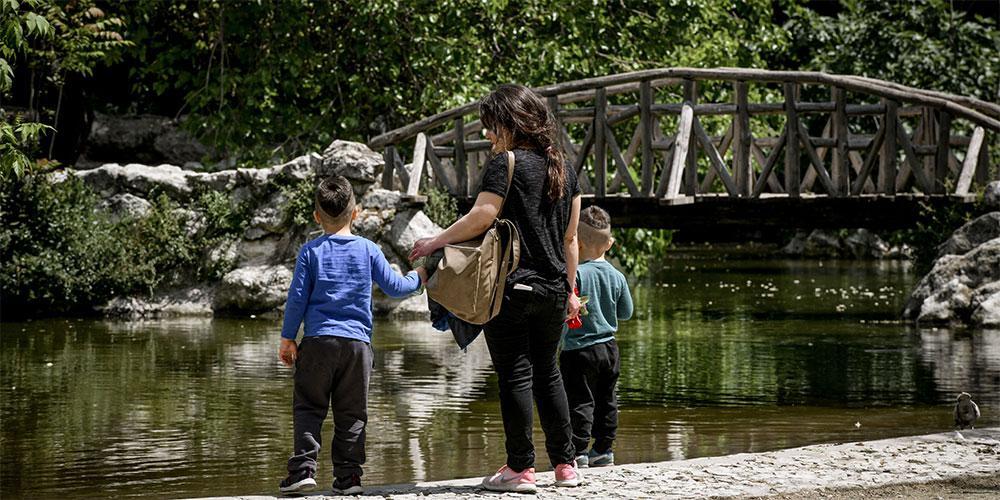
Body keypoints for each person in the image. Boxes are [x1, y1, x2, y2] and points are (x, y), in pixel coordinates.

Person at [410, 84, 583, 493]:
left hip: (511, 288)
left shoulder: (505, 163)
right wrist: (571, 289)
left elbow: (482, 216)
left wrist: (435, 241)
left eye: (491, 126)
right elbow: (571, 239)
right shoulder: (565, 168)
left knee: (515, 377)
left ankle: (520, 469)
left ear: (512, 122)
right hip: (554, 290)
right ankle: (566, 464)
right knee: (549, 373)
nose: (488, 135)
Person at [277, 175, 426, 495]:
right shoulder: (369, 250)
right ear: (355, 213)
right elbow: (396, 287)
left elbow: (297, 298)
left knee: (308, 407)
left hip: (317, 344)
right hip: (357, 347)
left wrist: (288, 338)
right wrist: (420, 276)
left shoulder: (310, 251)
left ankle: (303, 470)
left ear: (317, 217)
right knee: (352, 413)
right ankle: (349, 478)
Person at [560, 205, 633, 469]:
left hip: (578, 350)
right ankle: (603, 449)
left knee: (579, 401)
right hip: (609, 348)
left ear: (576, 241)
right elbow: (626, 313)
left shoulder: (576, 274)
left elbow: (564, 312)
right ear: (610, 243)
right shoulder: (617, 276)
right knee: (607, 399)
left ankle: (578, 451)